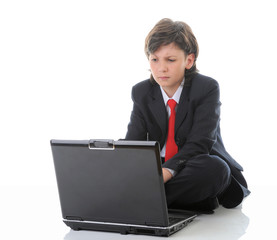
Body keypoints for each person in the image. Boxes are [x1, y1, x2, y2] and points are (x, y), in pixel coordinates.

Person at [125, 18, 250, 212]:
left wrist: (165, 172)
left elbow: (200, 144)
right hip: (159, 168)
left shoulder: (206, 88)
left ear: (189, 60)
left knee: (215, 169)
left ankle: (139, 201)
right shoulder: (142, 92)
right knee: (110, 158)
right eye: (154, 59)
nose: (161, 68)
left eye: (171, 60)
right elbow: (133, 143)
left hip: (193, 161)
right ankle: (173, 200)